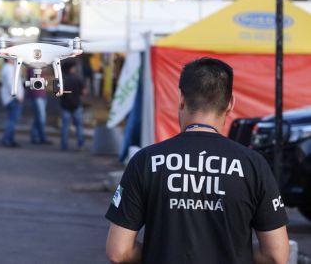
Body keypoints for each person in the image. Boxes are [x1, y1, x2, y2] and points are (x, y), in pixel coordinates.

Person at [105, 57, 289, 264]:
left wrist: (159, 253)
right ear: (230, 103)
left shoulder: (145, 161)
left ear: (181, 98)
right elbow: (276, 255)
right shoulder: (253, 165)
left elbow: (118, 252)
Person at [60, 60, 85, 151]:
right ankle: (81, 144)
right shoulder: (77, 78)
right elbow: (84, 91)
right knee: (79, 126)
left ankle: (64, 145)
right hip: (76, 105)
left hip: (65, 105)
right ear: (71, 68)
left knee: (65, 126)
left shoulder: (61, 78)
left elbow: (58, 92)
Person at [0, 58, 24, 148]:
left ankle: (9, 139)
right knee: (12, 120)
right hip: (12, 99)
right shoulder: (9, 69)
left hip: (10, 98)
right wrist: (18, 96)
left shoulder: (8, 68)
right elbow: (11, 84)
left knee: (12, 120)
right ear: (8, 59)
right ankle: (7, 139)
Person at [26, 68, 51, 145]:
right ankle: (42, 138)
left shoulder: (40, 65)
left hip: (41, 95)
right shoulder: (32, 67)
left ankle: (35, 137)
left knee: (38, 118)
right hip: (36, 96)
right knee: (41, 118)